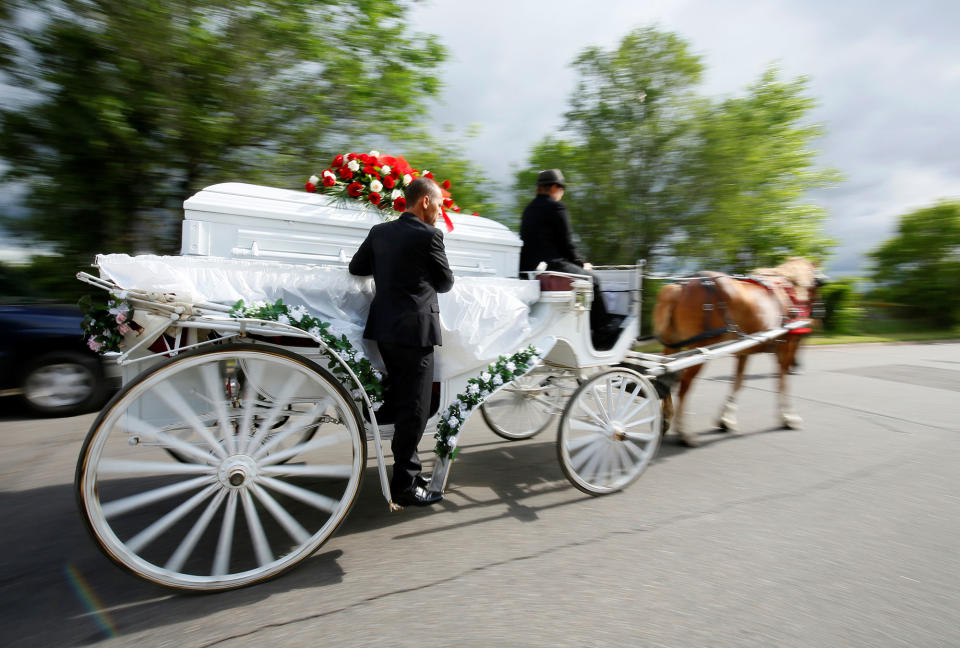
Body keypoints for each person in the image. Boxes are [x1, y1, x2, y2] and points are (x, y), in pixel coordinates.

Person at [349, 177, 454, 508]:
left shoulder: (380, 233)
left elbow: (357, 267)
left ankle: (409, 471)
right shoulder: (429, 236)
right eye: (438, 204)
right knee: (416, 409)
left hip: (385, 329)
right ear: (424, 201)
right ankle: (405, 483)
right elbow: (446, 282)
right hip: (416, 331)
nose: (439, 212)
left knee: (404, 401)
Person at [518, 169, 618, 348]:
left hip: (529, 269)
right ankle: (603, 330)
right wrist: (582, 264)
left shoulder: (528, 209)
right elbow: (567, 244)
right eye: (562, 189)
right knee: (593, 280)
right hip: (552, 265)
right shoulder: (556, 207)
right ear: (555, 187)